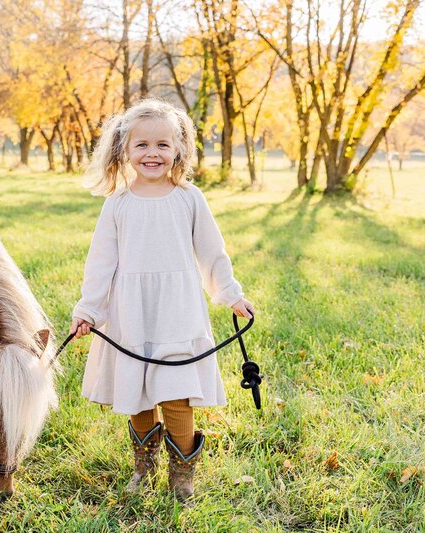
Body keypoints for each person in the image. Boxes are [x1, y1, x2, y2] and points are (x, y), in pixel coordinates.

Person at [70, 98, 255, 504]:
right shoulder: (117, 204)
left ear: (178, 150)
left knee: (175, 388)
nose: (152, 153)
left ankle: (182, 473)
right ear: (124, 150)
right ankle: (143, 463)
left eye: (162, 145)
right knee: (136, 387)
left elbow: (211, 253)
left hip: (177, 308)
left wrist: (231, 294)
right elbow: (101, 263)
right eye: (142, 145)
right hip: (130, 311)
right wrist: (88, 310)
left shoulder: (189, 198)